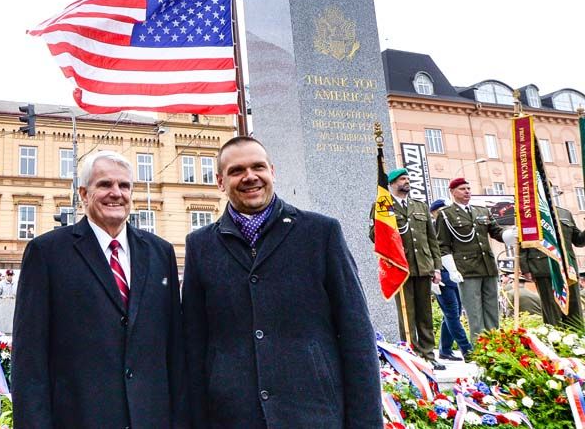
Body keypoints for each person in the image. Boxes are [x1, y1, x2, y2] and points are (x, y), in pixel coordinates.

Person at [183, 136, 380, 428]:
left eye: (258, 167)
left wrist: (366, 423)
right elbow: (194, 342)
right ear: (220, 182)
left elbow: (356, 334)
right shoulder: (200, 246)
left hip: (313, 414)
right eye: (237, 171)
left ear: (272, 171)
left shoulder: (320, 233)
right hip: (233, 416)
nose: (250, 177)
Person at [13, 150, 186, 428]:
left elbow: (174, 350)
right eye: (105, 184)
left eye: (124, 185)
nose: (116, 193)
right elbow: (29, 360)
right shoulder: (46, 253)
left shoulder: (160, 253)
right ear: (83, 194)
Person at [370, 167, 441, 367]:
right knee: (407, 313)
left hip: (423, 265)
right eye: (402, 179)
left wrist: (436, 267)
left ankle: (428, 354)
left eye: (408, 178)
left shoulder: (420, 206)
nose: (406, 182)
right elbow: (375, 237)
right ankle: (412, 353)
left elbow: (431, 239)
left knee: (425, 312)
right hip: (401, 267)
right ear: (391, 184)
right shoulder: (383, 206)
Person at [435, 178, 512, 339]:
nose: (467, 191)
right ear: (453, 192)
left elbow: (496, 232)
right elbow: (443, 245)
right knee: (474, 312)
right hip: (466, 269)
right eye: (462, 189)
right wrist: (452, 269)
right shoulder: (446, 215)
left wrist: (509, 235)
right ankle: (480, 348)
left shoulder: (482, 211)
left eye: (468, 188)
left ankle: (495, 344)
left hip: (488, 266)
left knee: (492, 308)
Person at [520, 204, 585, 326]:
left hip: (568, 268)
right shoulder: (529, 213)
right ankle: (554, 341)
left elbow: (578, 241)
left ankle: (575, 340)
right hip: (543, 266)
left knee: (574, 307)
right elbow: (523, 244)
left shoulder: (565, 213)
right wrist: (525, 268)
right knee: (552, 310)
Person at [428, 199, 473, 361]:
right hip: (441, 275)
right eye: (441, 211)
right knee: (452, 313)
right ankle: (467, 349)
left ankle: (445, 349)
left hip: (454, 274)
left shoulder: (450, 228)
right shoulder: (432, 228)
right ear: (433, 213)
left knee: (453, 314)